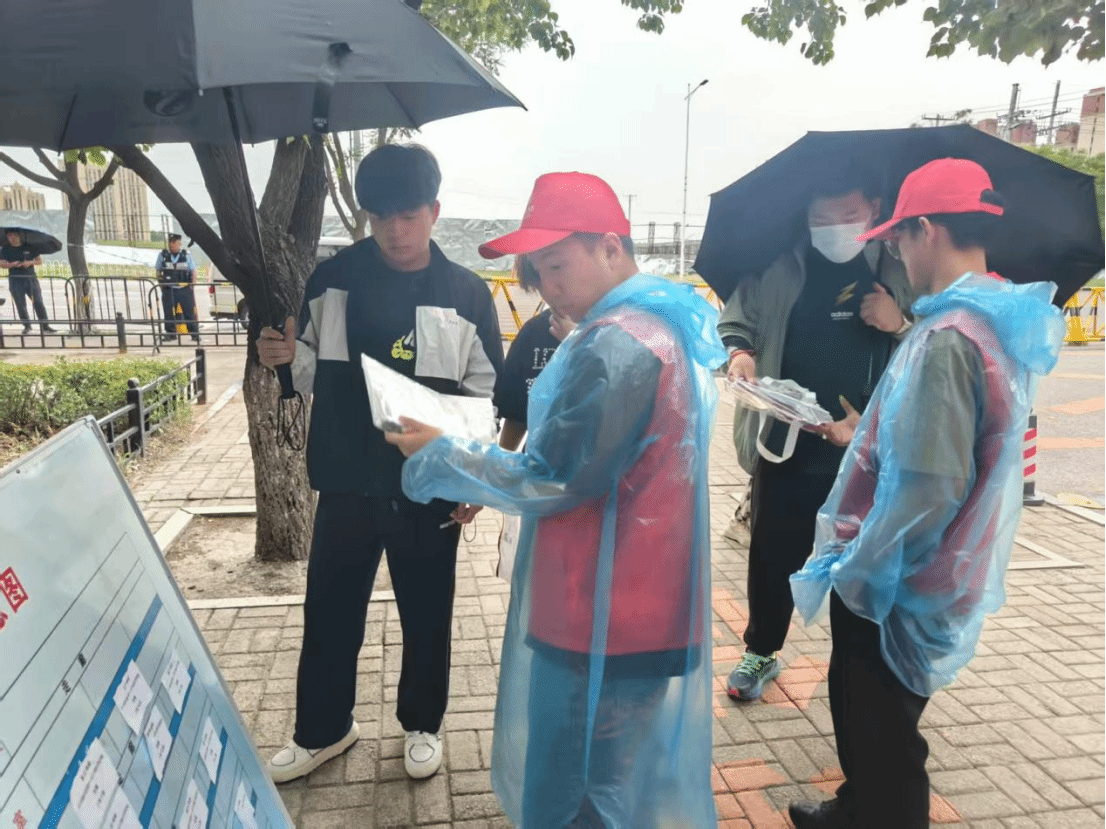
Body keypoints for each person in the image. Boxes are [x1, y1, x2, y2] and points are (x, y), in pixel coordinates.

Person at [385, 172, 722, 829]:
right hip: (640, 607)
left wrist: (442, 451)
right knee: (612, 784)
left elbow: (555, 476)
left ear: (610, 247)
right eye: (539, 271)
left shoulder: (618, 344)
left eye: (558, 264)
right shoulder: (656, 325)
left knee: (573, 795)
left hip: (601, 618)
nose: (548, 285)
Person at [787, 158, 1065, 829]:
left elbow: (930, 488)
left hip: (899, 579)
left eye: (898, 238)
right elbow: (946, 444)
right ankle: (855, 807)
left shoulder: (947, 336)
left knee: (883, 738)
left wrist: (863, 569)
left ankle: (876, 811)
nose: (896, 255)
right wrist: (865, 435)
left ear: (927, 230)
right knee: (874, 723)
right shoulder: (993, 320)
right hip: (936, 570)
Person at [255, 143, 503, 783]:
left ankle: (422, 724)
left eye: (409, 215)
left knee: (428, 614)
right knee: (330, 614)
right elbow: (309, 369)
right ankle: (323, 730)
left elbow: (485, 396)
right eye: (381, 216)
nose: (396, 230)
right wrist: (282, 356)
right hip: (345, 477)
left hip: (428, 486)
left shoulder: (465, 292)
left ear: (434, 211)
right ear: (366, 215)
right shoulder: (332, 279)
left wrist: (471, 477)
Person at [718, 169, 915, 701]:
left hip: (871, 448)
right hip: (788, 439)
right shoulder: (779, 267)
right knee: (772, 553)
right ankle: (761, 650)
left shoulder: (901, 270)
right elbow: (737, 321)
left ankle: (864, 667)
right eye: (821, 217)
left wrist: (899, 324)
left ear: (875, 208)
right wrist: (740, 353)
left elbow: (936, 346)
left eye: (847, 214)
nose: (834, 227)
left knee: (867, 560)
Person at [491, 256, 574, 581]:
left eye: (556, 269)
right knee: (535, 586)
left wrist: (577, 343)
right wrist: (500, 478)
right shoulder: (533, 334)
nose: (549, 288)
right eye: (537, 280)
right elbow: (515, 416)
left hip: (591, 496)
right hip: (537, 484)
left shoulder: (612, 333)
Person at [1, 229, 56, 334]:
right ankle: (27, 326)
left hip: (30, 278)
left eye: (13, 235)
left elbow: (39, 261)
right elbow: (2, 263)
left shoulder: (29, 246)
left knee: (38, 302)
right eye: (9, 236)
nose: (11, 238)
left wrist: (29, 262)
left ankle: (45, 326)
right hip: (15, 279)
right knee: (20, 304)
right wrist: (12, 264)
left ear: (19, 235)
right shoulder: (5, 249)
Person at [154, 233, 199, 343]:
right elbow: (158, 271)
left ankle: (194, 334)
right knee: (168, 313)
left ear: (179, 243)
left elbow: (193, 272)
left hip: (184, 290)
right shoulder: (163, 255)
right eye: (170, 242)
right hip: (169, 289)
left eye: (174, 242)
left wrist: (191, 287)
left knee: (189, 313)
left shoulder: (186, 255)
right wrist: (162, 286)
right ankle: (170, 334)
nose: (171, 244)